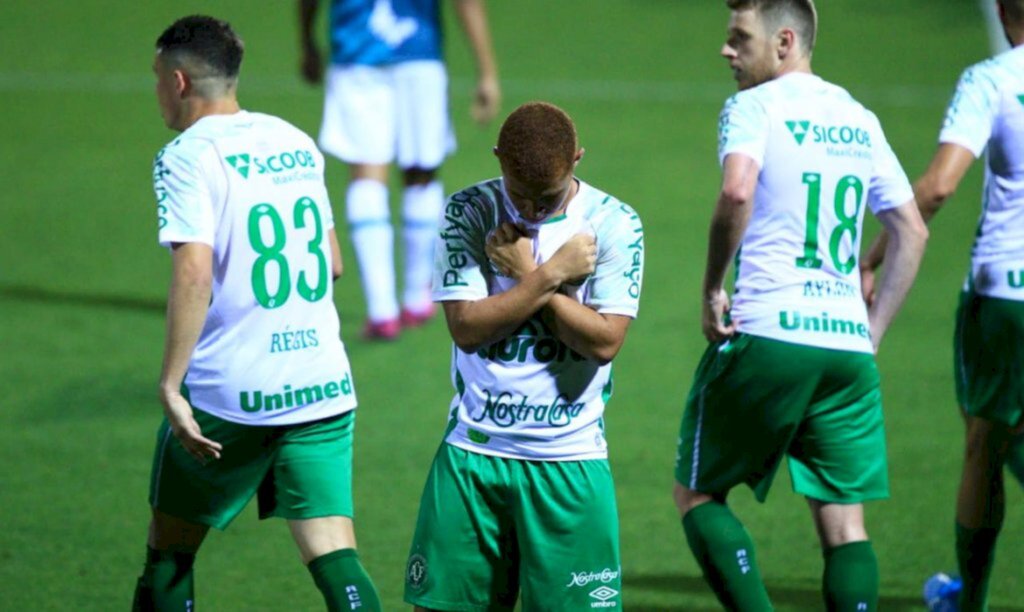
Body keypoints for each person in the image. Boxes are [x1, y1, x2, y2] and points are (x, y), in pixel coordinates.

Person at [672, 0, 929, 609]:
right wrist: (872, 331)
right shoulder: (857, 117)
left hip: (767, 333)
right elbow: (911, 230)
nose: (726, 51)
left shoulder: (752, 107)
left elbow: (737, 189)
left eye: (739, 38)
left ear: (784, 42)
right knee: (845, 527)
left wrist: (712, 287)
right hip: (845, 349)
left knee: (698, 494)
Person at [132, 15, 380, 611]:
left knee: (170, 553)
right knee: (334, 555)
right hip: (321, 382)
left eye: (158, 79)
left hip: (231, 393)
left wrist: (171, 384)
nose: (158, 91)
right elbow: (335, 263)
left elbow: (193, 270)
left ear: (180, 81)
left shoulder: (185, 157)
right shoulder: (293, 139)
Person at [402, 101, 644, 611]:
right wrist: (549, 275)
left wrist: (525, 273)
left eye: (546, 198)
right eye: (520, 194)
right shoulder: (467, 212)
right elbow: (467, 328)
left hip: (569, 462)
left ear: (578, 158)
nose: (532, 211)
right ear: (496, 159)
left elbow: (603, 342)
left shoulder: (615, 222)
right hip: (473, 456)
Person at [861, 2, 1024, 609]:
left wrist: (875, 254)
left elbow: (936, 186)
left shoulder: (993, 80)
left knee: (987, 441)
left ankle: (969, 600)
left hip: (1007, 293)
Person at [298, 0, 501, 340]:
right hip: (417, 52)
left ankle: (381, 310)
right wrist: (487, 71)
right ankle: (415, 297)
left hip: (356, 52)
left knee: (366, 175)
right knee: (420, 173)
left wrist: (306, 41)